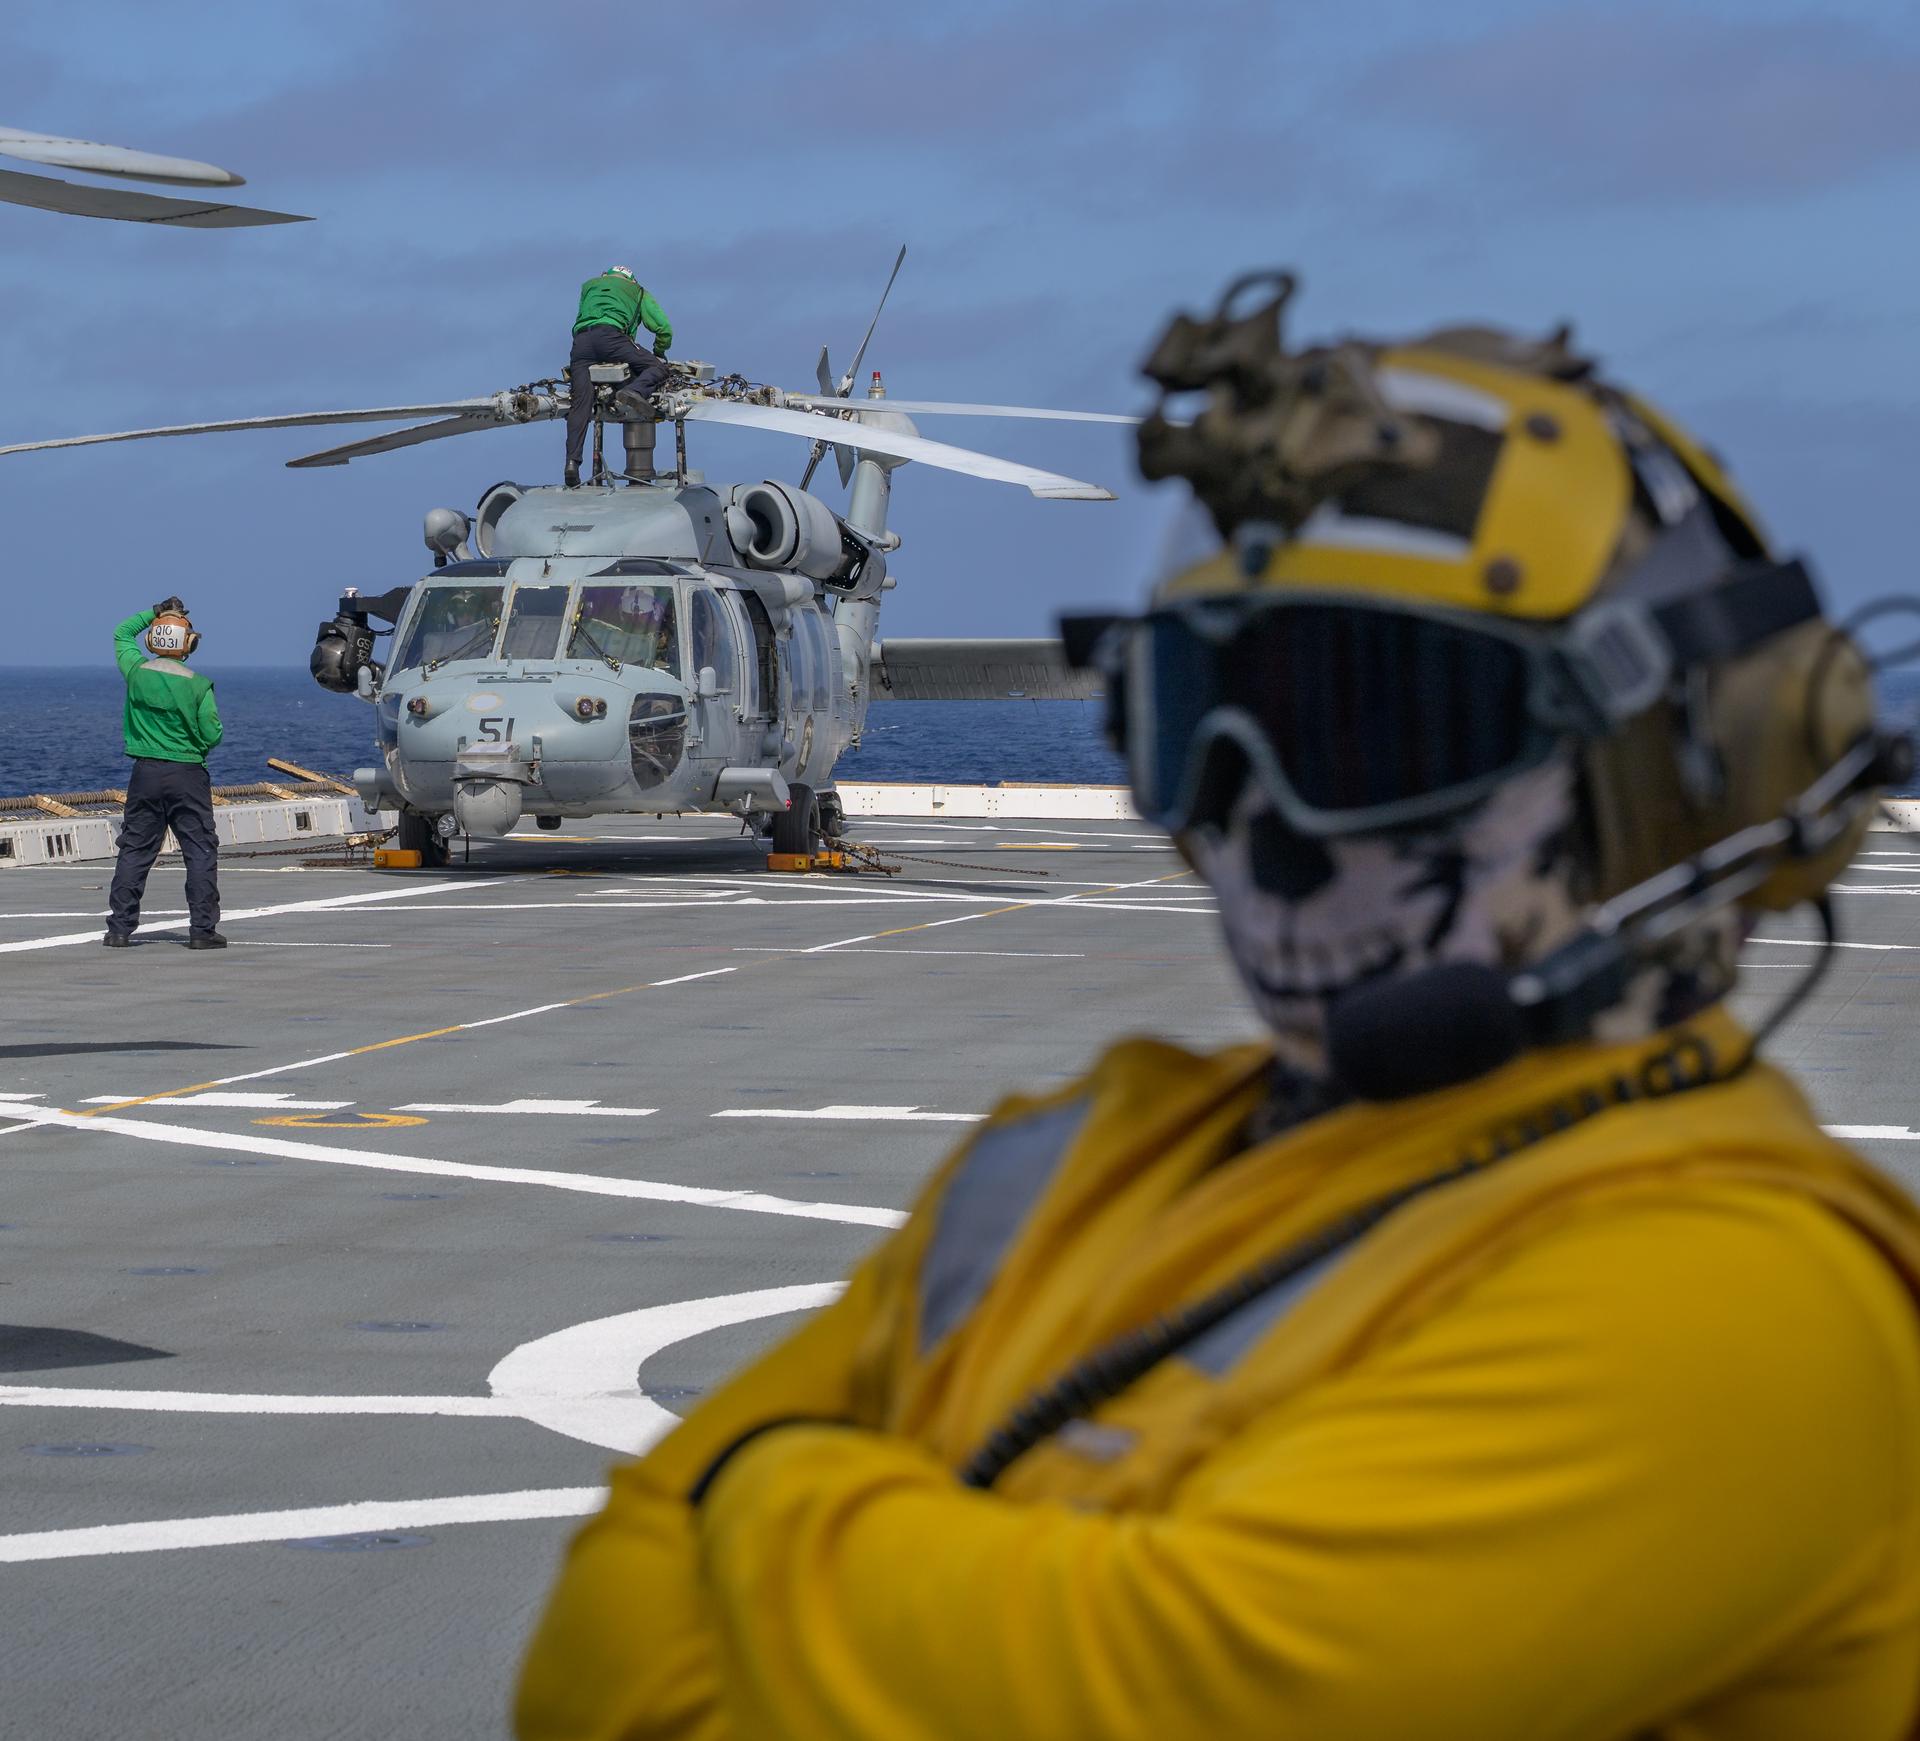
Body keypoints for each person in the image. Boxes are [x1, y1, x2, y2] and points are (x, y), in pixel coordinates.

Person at [515, 275, 1920, 1740]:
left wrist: (762, 1484)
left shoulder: (1732, 1308)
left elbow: (1125, 1695)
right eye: (1204, 721)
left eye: (1376, 722)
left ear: (1685, 766)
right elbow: (588, 1670)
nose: (1266, 818)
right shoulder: (1073, 1156)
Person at [104, 597, 225, 949]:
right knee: (199, 850)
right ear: (189, 644)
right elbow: (212, 733)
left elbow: (121, 633)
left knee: (135, 849)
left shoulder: (136, 672)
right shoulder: (198, 684)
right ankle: (202, 931)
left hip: (144, 773)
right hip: (188, 773)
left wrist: (155, 612)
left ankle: (120, 929)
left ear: (153, 640)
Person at [564, 265, 673, 488]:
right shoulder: (637, 291)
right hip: (612, 338)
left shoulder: (590, 286)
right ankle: (632, 392)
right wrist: (659, 353)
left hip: (581, 345)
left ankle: (572, 463)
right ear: (630, 280)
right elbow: (663, 328)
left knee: (581, 404)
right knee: (659, 368)